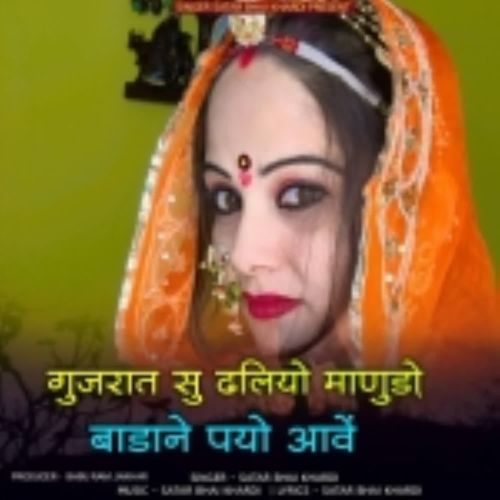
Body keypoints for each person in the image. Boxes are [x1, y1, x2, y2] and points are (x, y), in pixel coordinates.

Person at [115, 0, 500, 424]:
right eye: (225, 199)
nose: (243, 257)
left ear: (396, 196)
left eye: (299, 195)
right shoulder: (221, 401)